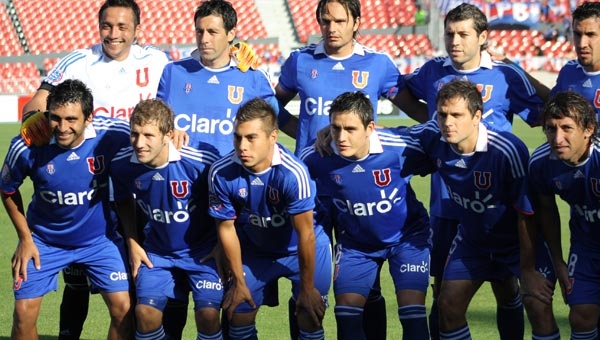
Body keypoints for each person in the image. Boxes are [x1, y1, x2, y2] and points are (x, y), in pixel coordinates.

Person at [395, 3, 553, 338]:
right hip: (448, 199)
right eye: (450, 33)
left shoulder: (504, 75)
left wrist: (521, 72)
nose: (454, 40)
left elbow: (542, 115)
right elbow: (402, 93)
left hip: (498, 197)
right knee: (444, 291)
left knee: (507, 288)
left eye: (463, 34)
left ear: (482, 37)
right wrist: (430, 123)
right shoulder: (433, 71)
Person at [275, 1, 427, 337]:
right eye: (325, 20)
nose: (331, 27)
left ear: (356, 22)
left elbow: (414, 109)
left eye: (339, 20)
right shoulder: (299, 61)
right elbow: (273, 108)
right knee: (306, 276)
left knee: (365, 280)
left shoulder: (377, 64)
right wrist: (304, 136)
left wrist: (447, 133)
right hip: (311, 187)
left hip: (356, 188)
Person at [20, 1, 171, 338]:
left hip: (140, 189)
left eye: (122, 27)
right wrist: (34, 121)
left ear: (137, 28)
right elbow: (36, 102)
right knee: (76, 282)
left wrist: (234, 52)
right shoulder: (79, 61)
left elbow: (194, 80)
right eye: (107, 26)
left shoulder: (158, 61)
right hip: (91, 192)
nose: (113, 34)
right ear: (99, 25)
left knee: (138, 278)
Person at [1, 79, 132, 339]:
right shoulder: (27, 144)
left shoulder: (113, 134)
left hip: (100, 241)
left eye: (71, 119)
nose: (62, 128)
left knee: (124, 309)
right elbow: (6, 188)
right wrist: (25, 239)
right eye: (55, 118)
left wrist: (172, 133)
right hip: (44, 242)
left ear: (89, 118)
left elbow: (149, 132)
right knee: (23, 314)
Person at [300, 91, 432, 340]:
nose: (341, 137)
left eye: (350, 129)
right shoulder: (317, 156)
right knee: (346, 317)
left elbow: (440, 137)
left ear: (370, 127)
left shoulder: (400, 146)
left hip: (407, 239)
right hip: (355, 246)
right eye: (336, 128)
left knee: (412, 315)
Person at [207, 98, 332, 340]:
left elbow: (306, 234)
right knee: (238, 313)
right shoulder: (221, 172)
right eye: (237, 137)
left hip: (302, 249)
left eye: (251, 138)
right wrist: (239, 283)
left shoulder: (293, 173)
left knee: (309, 314)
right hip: (256, 250)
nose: (242, 146)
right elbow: (226, 228)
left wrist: (307, 288)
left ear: (272, 137)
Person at [111, 99, 224, 340]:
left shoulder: (201, 162)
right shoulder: (122, 164)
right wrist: (132, 242)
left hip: (203, 253)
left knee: (208, 316)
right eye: (135, 134)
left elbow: (227, 202)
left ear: (168, 135)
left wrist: (220, 245)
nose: (139, 143)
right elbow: (122, 200)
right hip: (158, 254)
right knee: (144, 314)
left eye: (148, 135)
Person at [157, 0, 279, 154]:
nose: (204, 39)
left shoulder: (254, 77)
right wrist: (170, 130)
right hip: (182, 174)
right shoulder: (173, 72)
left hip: (228, 175)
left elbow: (277, 119)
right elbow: (155, 122)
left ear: (231, 34)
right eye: (199, 31)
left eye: (212, 32)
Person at [528, 91, 600, 340]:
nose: (558, 138)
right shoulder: (541, 163)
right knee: (580, 315)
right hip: (586, 246)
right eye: (551, 128)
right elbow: (545, 210)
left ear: (589, 129)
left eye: (567, 128)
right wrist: (558, 261)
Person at [551, 1, 600, 121]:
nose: (582, 44)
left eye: (590, 35)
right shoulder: (569, 71)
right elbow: (549, 103)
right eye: (577, 34)